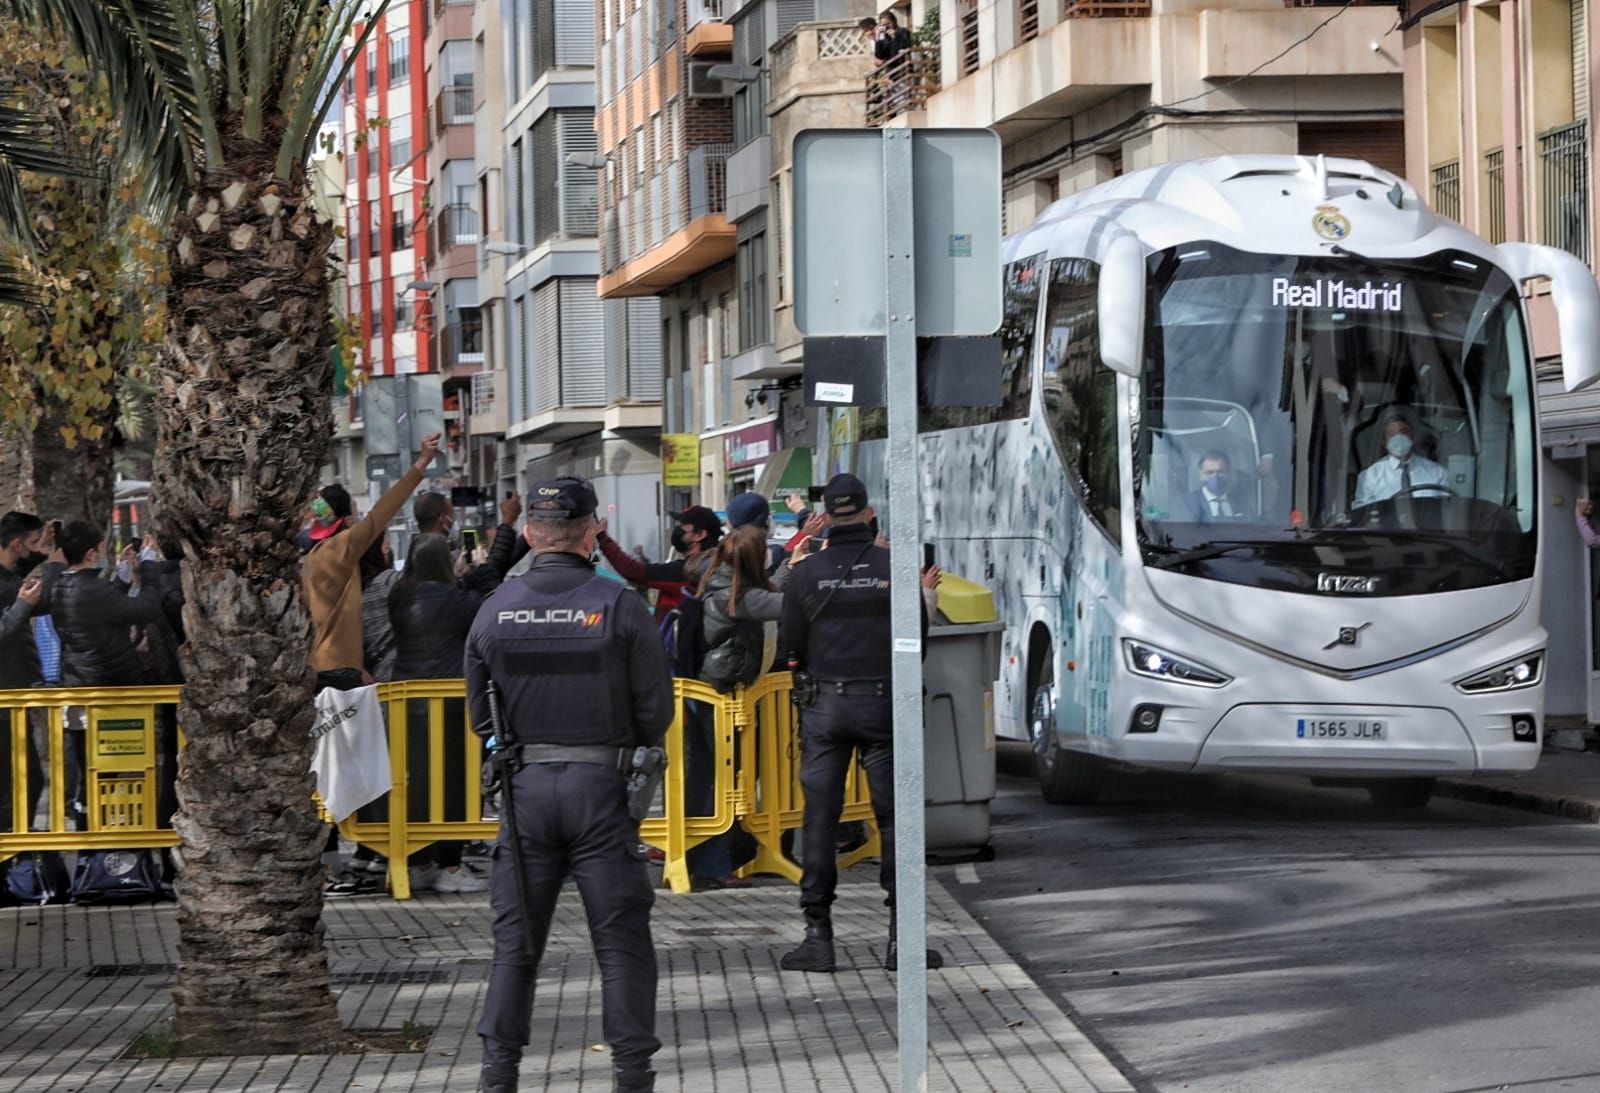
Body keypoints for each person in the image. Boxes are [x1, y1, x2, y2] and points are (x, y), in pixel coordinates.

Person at [465, 476, 672, 1093]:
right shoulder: (618, 605)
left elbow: (480, 716)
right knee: (621, 941)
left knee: (515, 946)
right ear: (591, 533)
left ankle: (498, 1076)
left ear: (529, 534)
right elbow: (655, 712)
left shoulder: (493, 610)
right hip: (602, 793)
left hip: (525, 793)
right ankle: (632, 1076)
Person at [777, 473, 940, 973]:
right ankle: (902, 940)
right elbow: (919, 643)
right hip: (886, 706)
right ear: (870, 515)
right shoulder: (897, 569)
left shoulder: (804, 575)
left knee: (821, 821)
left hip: (825, 708)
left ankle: (818, 936)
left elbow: (789, 650)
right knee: (896, 823)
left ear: (824, 518)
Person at [388, 533, 488, 895]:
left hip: (408, 701)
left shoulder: (399, 595)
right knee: (455, 784)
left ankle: (417, 861)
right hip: (449, 702)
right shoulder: (454, 599)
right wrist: (475, 570)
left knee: (418, 785)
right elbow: (487, 603)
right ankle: (450, 862)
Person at [302, 433, 440, 692]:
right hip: (342, 674)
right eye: (355, 512)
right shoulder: (342, 547)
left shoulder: (310, 559)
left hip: (316, 669)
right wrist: (420, 464)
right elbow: (381, 513)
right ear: (346, 520)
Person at [685, 527, 782, 890]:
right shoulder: (737, 595)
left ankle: (714, 859)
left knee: (714, 778)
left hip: (712, 693)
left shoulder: (719, 581)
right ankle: (712, 866)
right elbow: (783, 603)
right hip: (722, 696)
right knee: (724, 782)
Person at [0, 511, 49, 833]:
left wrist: (50, 550)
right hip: (4, 702)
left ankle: (16, 857)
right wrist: (22, 607)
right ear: (16, 544)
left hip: (14, 698)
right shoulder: (10, 589)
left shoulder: (11, 576)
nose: (36, 550)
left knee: (27, 781)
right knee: (17, 784)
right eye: (32, 544)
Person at [1352, 414, 1448, 508]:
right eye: (1392, 434)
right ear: (1384, 442)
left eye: (1403, 432)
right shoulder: (1369, 477)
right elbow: (1361, 513)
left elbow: (1448, 509)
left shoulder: (1438, 473)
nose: (1398, 437)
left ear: (1413, 437)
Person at [1177, 450, 1256, 522]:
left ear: (1228, 473)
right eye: (1210, 472)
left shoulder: (1242, 504)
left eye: (1221, 472)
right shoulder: (1185, 503)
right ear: (1201, 475)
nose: (1215, 477)